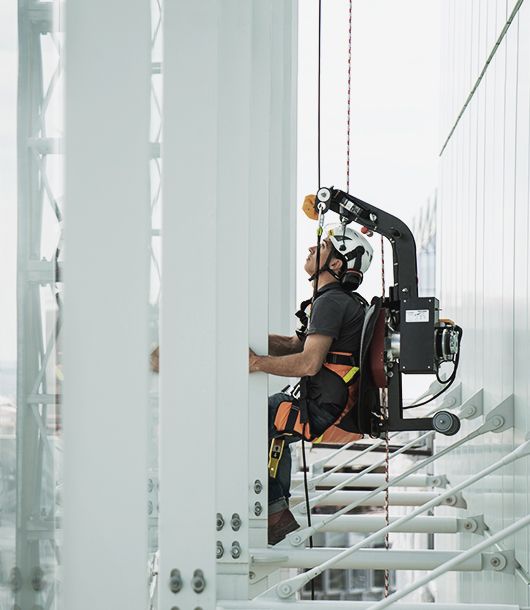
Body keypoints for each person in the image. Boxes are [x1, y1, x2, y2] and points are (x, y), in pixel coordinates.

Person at [249, 224, 373, 545]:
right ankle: (276, 512)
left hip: (324, 410)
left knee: (257, 416)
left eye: (321, 247)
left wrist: (255, 363)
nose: (310, 250)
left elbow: (308, 363)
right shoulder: (337, 300)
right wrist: (251, 342)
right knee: (274, 412)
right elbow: (295, 345)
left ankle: (274, 514)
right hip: (333, 406)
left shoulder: (331, 302)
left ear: (335, 264)